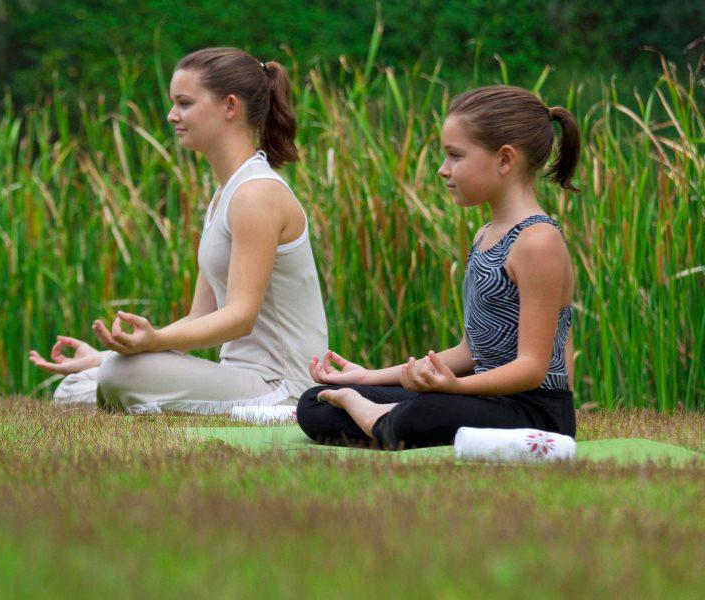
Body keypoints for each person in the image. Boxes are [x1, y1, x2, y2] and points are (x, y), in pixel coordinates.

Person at [29, 47, 329, 413]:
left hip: (283, 388)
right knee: (83, 382)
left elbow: (239, 316)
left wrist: (152, 342)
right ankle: (112, 378)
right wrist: (116, 353)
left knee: (118, 378)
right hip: (239, 378)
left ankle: (121, 386)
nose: (172, 116)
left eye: (184, 103)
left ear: (230, 107)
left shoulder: (257, 194)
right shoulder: (226, 192)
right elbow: (200, 318)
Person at [296, 85, 581, 448]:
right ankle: (379, 413)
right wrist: (369, 378)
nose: (442, 169)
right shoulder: (486, 235)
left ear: (505, 159)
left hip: (535, 413)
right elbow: (469, 352)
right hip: (480, 400)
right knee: (314, 402)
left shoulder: (538, 241)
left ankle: (375, 416)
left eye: (455, 156)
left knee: (425, 414)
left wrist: (456, 388)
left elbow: (531, 367)